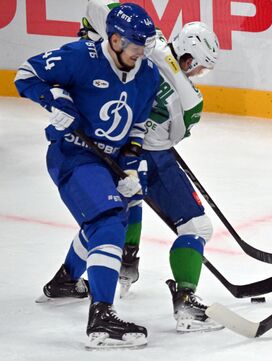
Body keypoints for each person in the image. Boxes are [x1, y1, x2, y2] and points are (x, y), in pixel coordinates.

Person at [14, 3, 160, 349]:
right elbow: (25, 74)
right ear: (114, 39)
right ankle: (102, 316)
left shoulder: (148, 74)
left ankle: (66, 281)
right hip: (73, 155)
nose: (141, 52)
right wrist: (54, 100)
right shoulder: (82, 57)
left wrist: (130, 163)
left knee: (109, 216)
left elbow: (137, 126)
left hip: (108, 159)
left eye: (144, 45)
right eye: (135, 44)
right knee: (108, 220)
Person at [78, 0, 222, 333]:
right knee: (196, 228)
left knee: (115, 214)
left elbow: (100, 6)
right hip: (154, 158)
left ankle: (121, 262)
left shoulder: (148, 41)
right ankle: (185, 301)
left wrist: (89, 33)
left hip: (114, 147)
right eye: (199, 66)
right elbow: (174, 136)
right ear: (187, 57)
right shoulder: (192, 100)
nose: (199, 72)